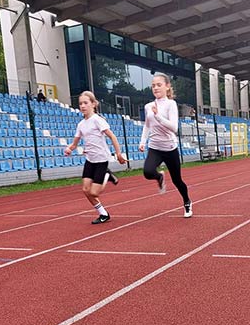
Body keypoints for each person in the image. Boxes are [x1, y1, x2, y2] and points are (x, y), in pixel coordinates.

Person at [64, 91, 126, 224]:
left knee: (94, 193)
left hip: (101, 160)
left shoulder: (98, 120)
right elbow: (75, 143)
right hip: (90, 160)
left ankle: (107, 176)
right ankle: (103, 213)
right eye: (80, 103)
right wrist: (69, 148)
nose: (83, 106)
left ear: (93, 104)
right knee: (86, 190)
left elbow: (112, 137)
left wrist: (119, 154)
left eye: (86, 103)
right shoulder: (81, 124)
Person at [139, 73, 193, 218]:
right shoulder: (148, 106)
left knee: (177, 180)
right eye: (153, 85)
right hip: (155, 147)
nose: (155, 88)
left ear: (167, 86)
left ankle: (187, 201)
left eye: (159, 85)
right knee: (148, 172)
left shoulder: (171, 104)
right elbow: (147, 125)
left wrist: (158, 116)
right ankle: (160, 177)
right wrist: (143, 141)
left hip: (170, 148)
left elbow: (174, 127)